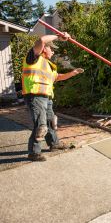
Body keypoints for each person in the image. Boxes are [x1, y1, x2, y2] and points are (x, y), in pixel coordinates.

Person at [22, 33, 84, 161]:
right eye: (52, 49)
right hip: (35, 96)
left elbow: (58, 77)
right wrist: (59, 36)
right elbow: (41, 39)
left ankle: (54, 144)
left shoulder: (49, 65)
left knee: (51, 122)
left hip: (47, 98)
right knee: (41, 125)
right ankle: (33, 152)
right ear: (44, 48)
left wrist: (73, 73)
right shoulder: (33, 58)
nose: (53, 51)